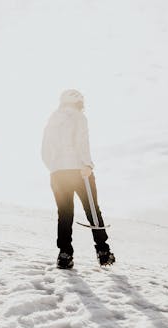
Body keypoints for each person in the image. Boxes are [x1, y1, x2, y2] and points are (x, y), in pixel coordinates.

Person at [41, 89, 116, 269]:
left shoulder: (52, 118)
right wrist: (87, 164)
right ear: (79, 103)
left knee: (64, 213)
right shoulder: (79, 117)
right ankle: (103, 251)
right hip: (79, 170)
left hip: (58, 172)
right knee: (92, 209)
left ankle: (65, 254)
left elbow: (45, 147)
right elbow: (82, 142)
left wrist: (54, 167)